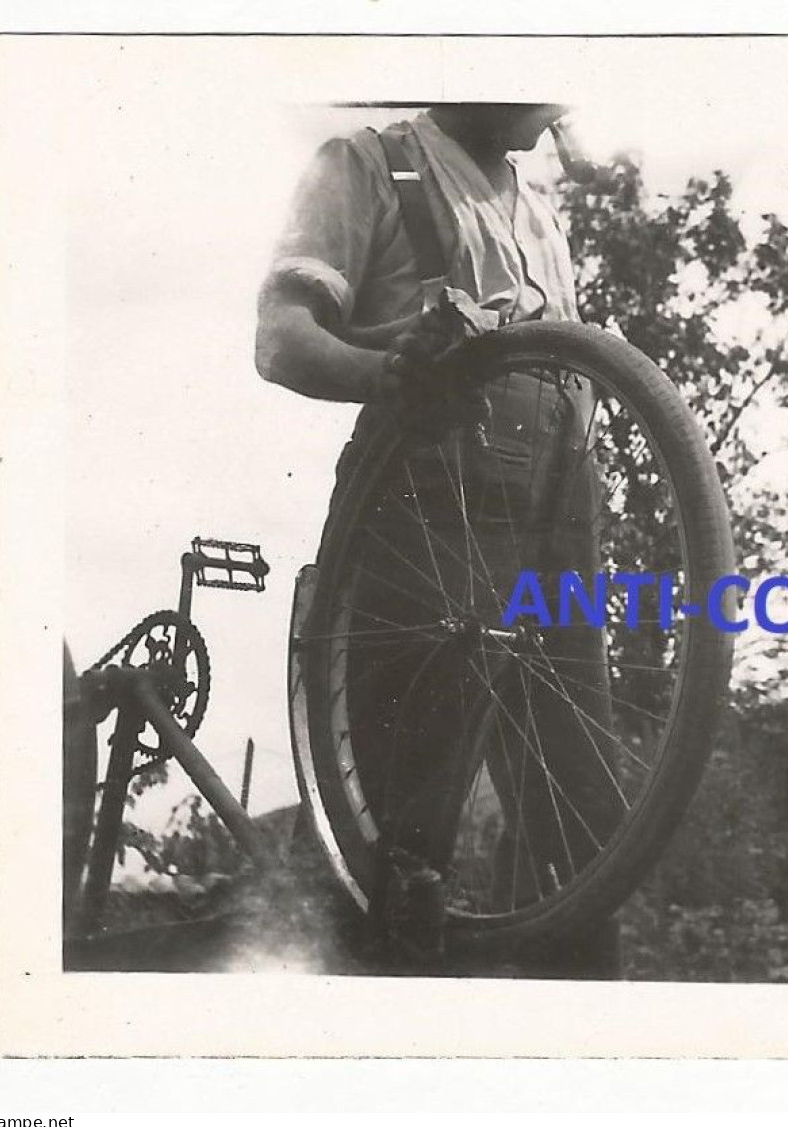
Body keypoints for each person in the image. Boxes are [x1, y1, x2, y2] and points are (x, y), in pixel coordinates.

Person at [256, 104, 622, 976]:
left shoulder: (535, 208)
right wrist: (385, 372)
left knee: (588, 827)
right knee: (400, 840)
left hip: (557, 520)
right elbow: (282, 338)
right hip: (426, 510)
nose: (562, 102)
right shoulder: (371, 165)